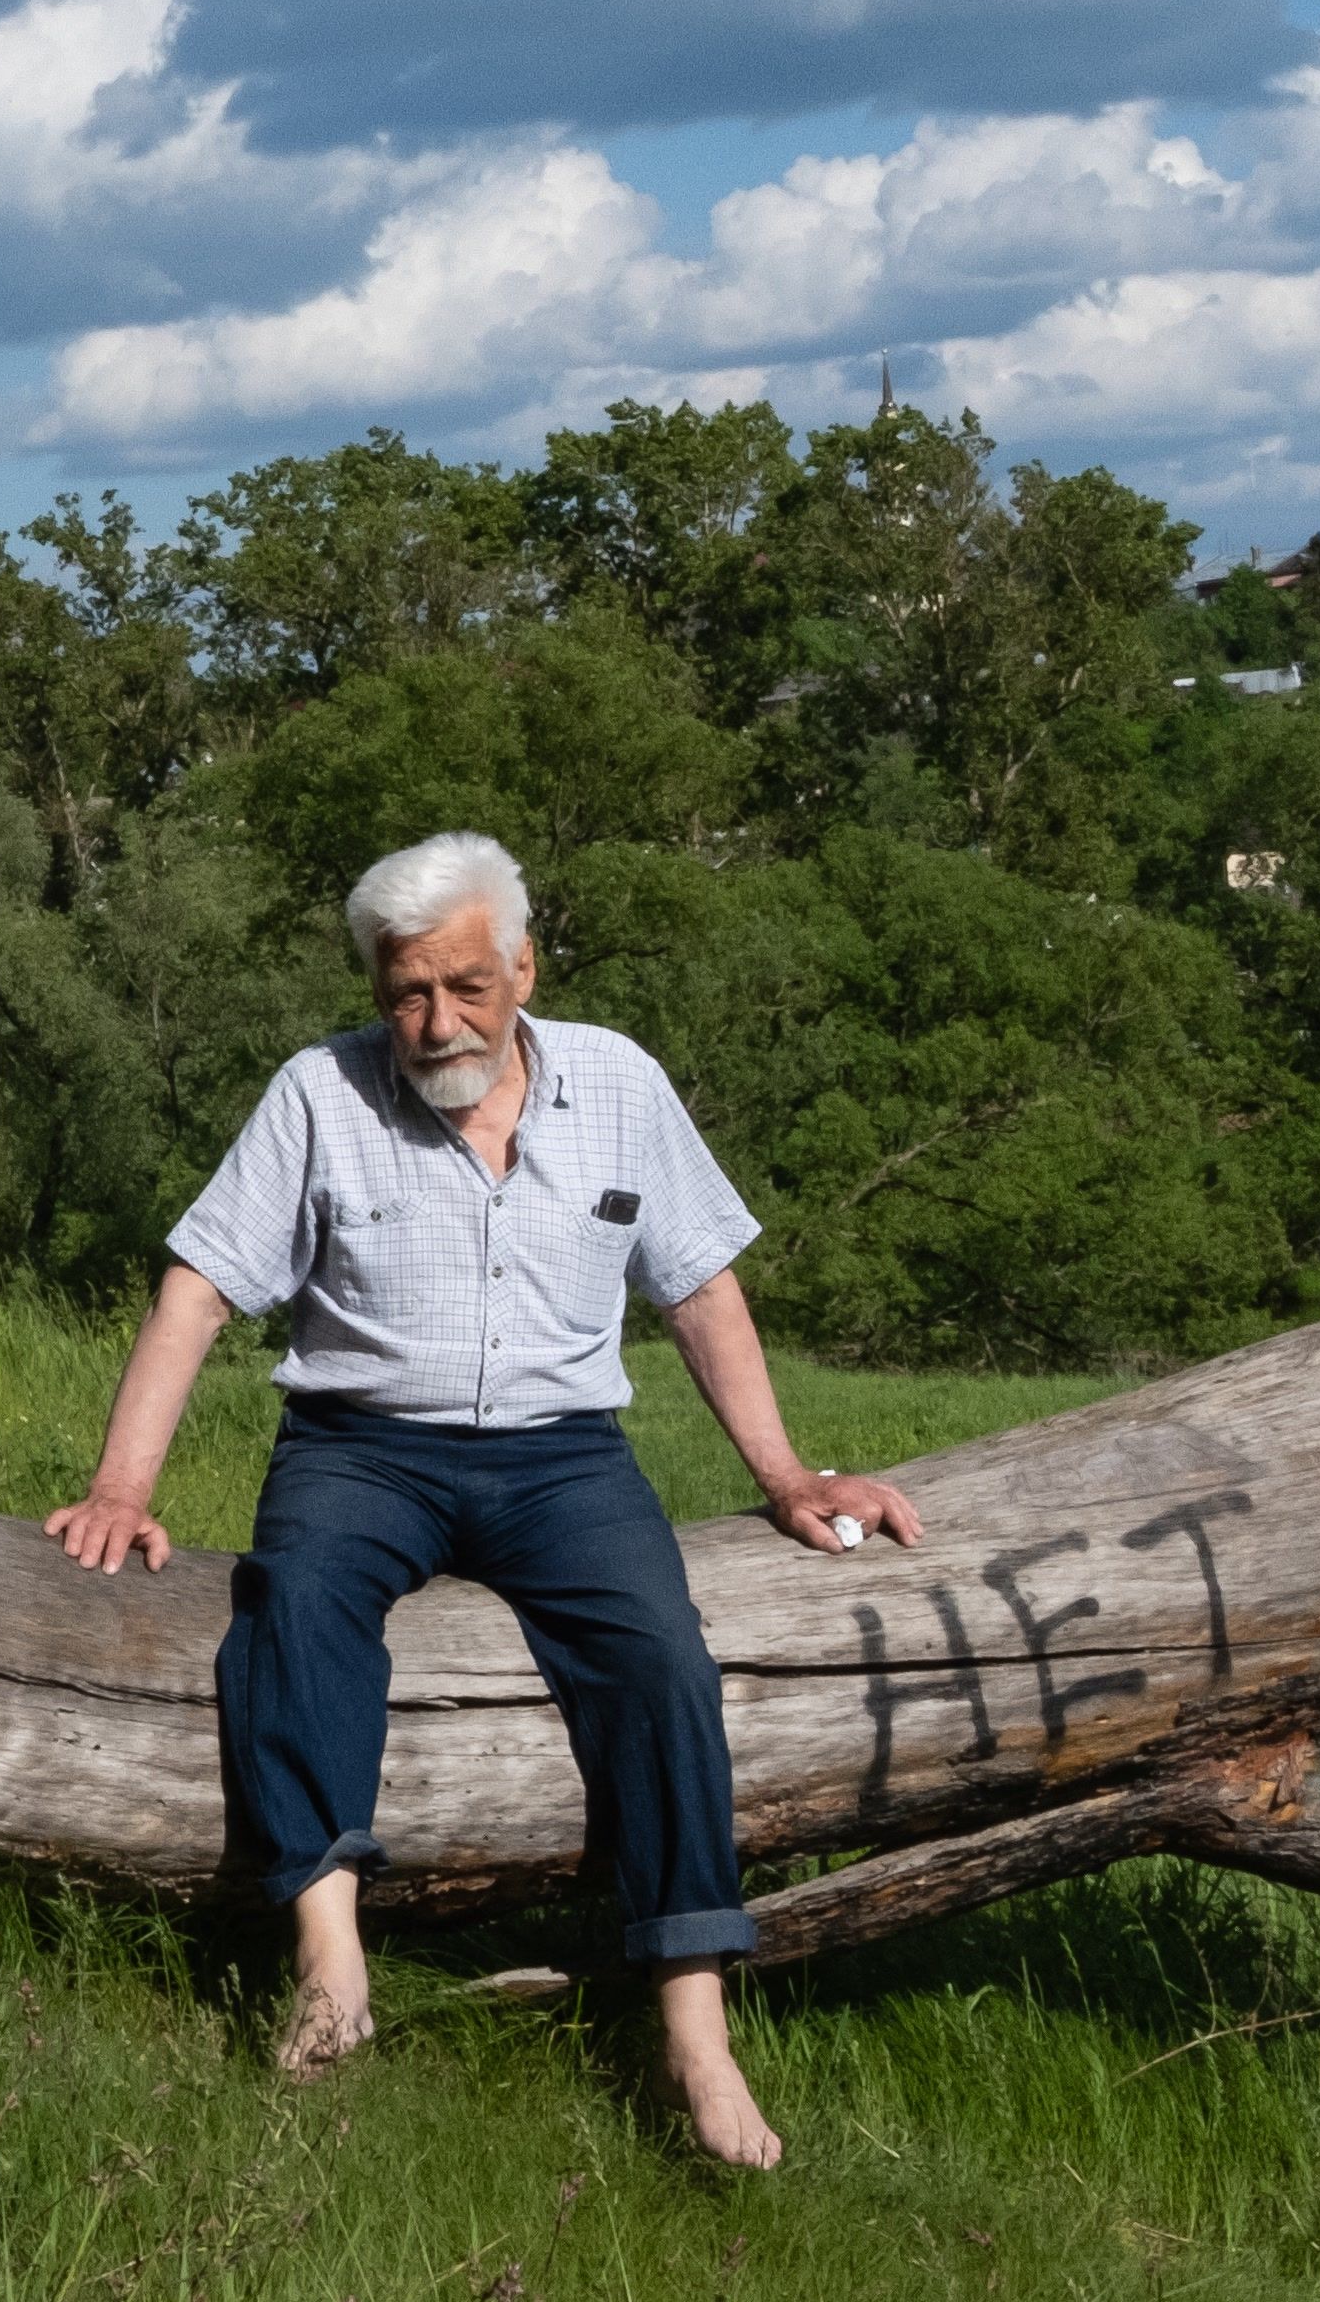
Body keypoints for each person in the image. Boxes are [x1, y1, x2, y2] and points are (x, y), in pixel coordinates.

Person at [45, 830, 922, 2166]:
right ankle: (333, 1968)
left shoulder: (619, 1082)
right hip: (361, 1444)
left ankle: (695, 2030)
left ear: (524, 965)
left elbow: (698, 1288)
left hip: (562, 1456)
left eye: (465, 986)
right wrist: (122, 1486)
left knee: (661, 1655)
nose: (436, 1020)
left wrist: (790, 1478)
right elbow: (200, 1287)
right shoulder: (318, 1094)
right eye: (406, 991)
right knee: (294, 1607)